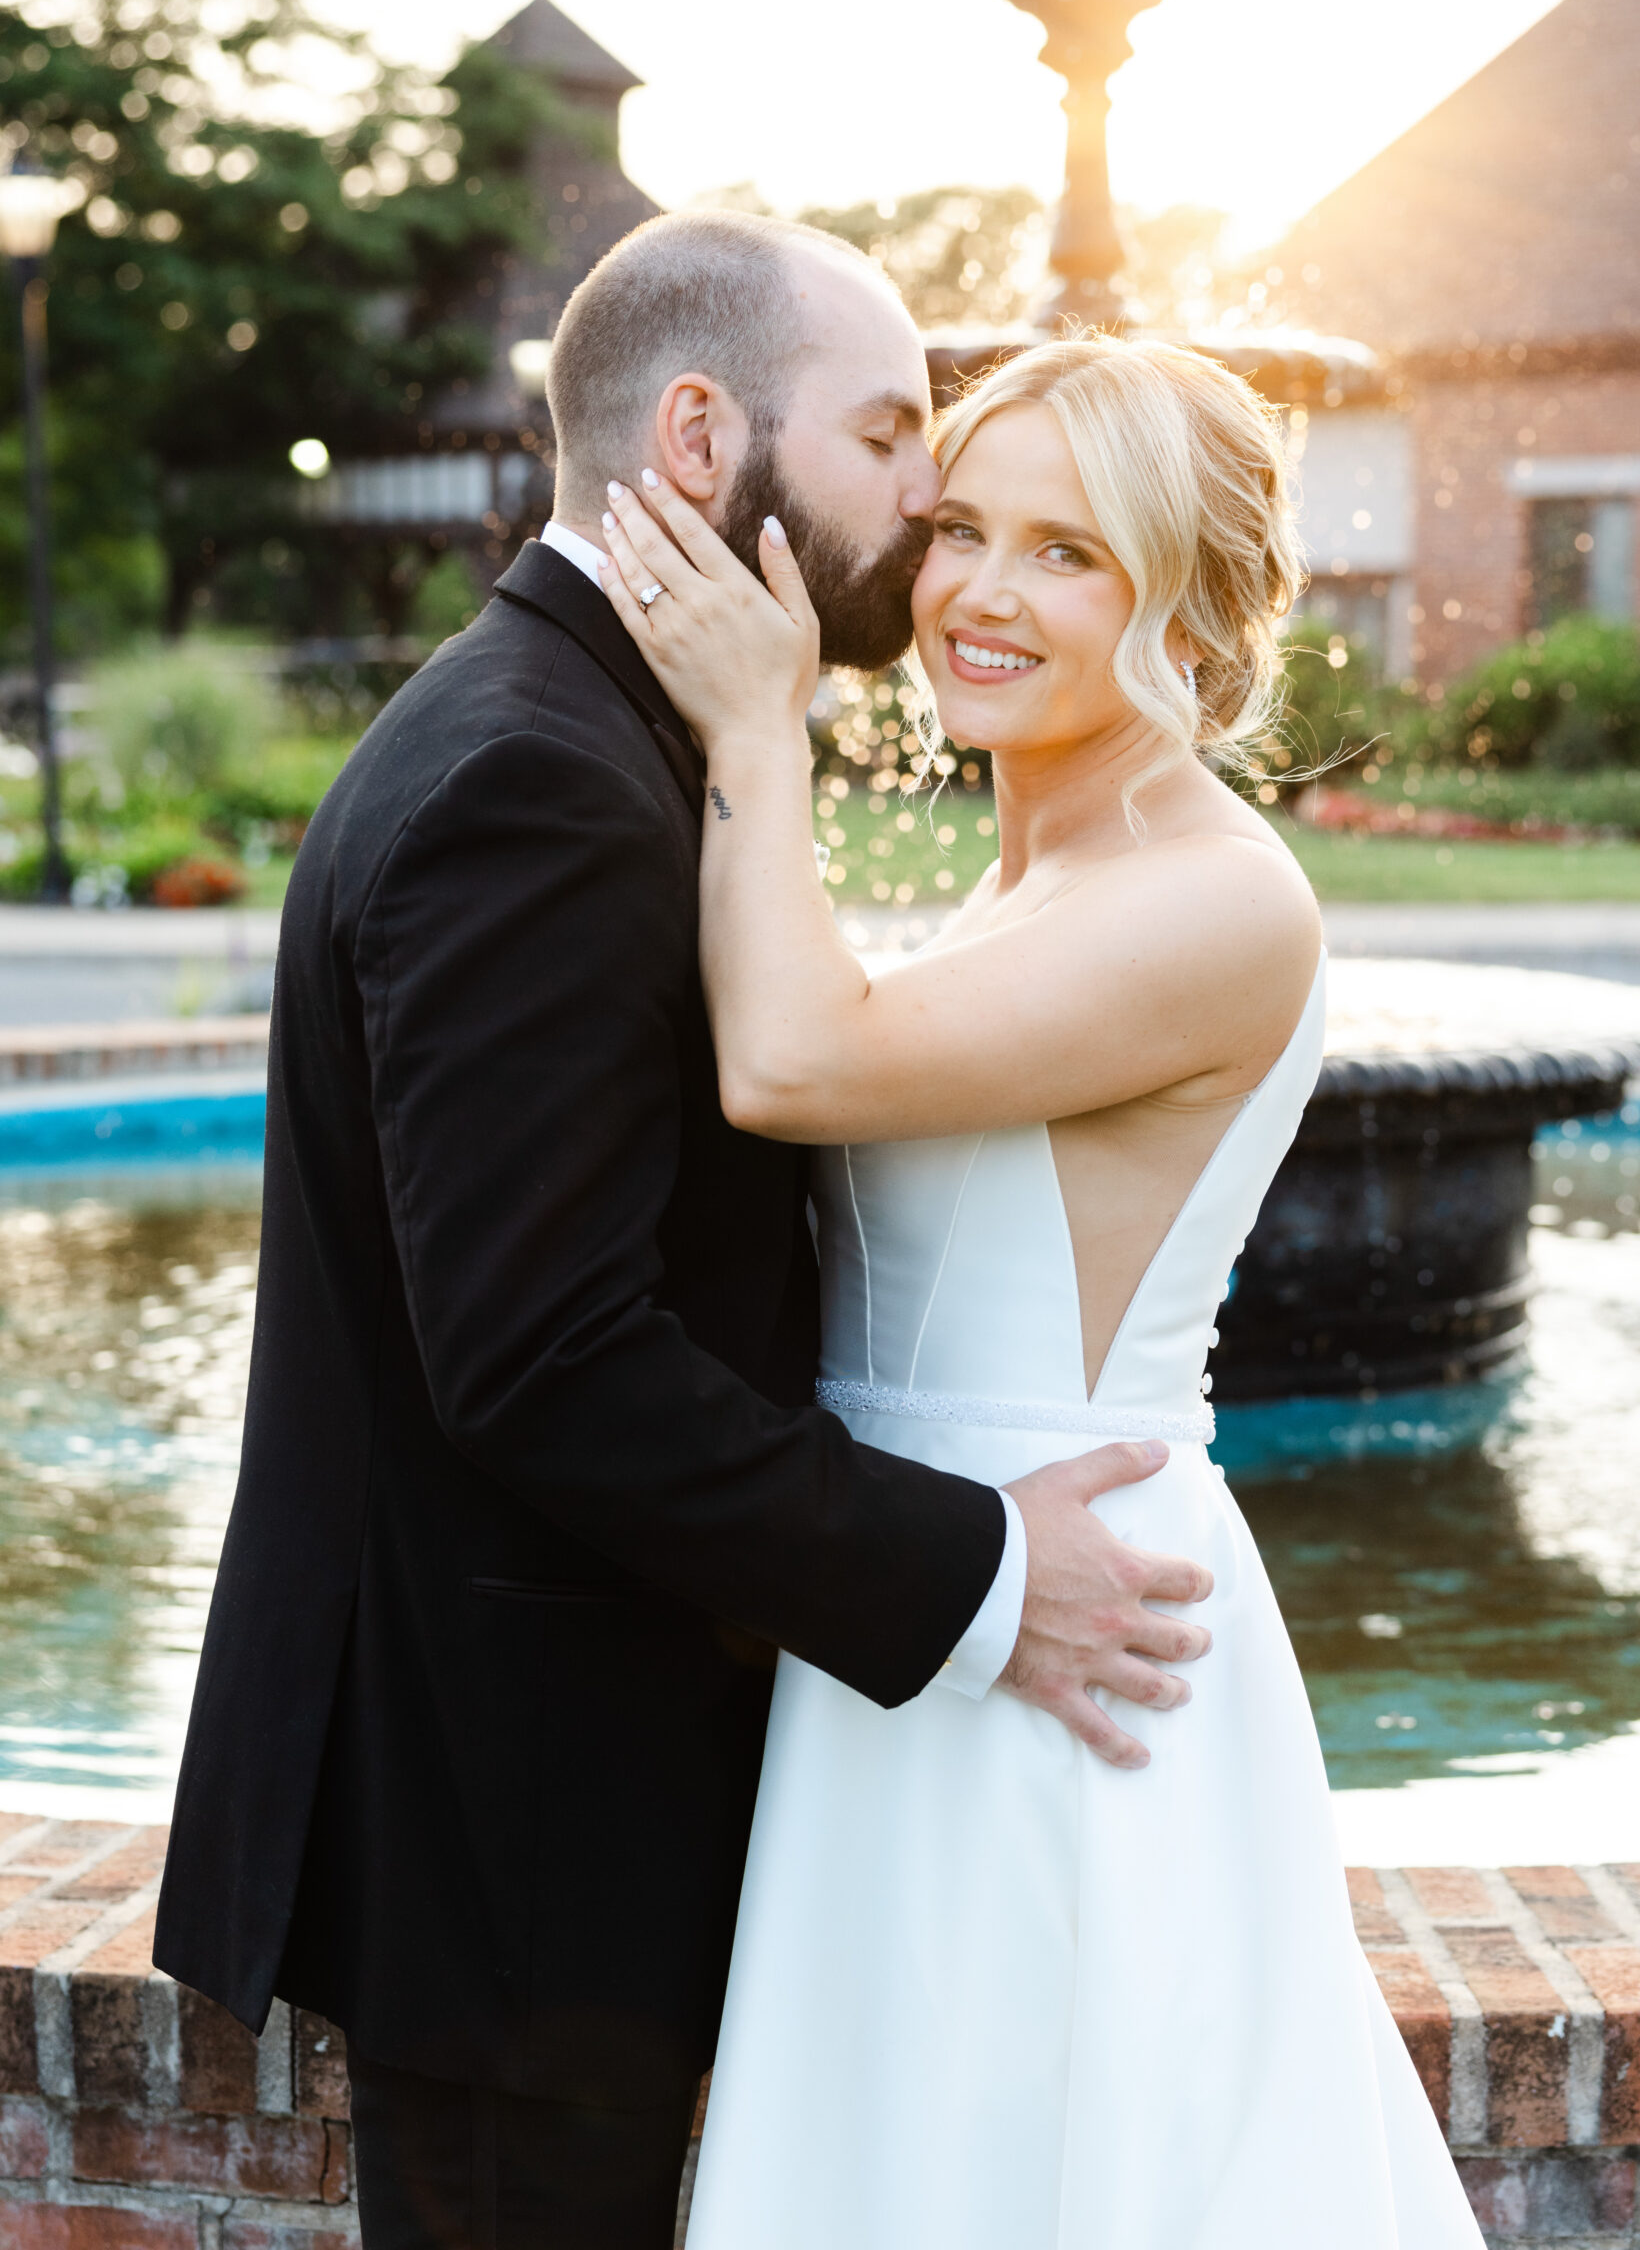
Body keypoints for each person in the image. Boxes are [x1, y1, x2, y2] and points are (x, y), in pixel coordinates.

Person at [152, 214, 1220, 2250]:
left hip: (537, 1813)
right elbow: (544, 1353)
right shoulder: (539, 782)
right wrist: (980, 1569)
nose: (927, 496)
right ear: (701, 428)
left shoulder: (580, 734)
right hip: (517, 1830)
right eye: (892, 430)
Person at [598, 332, 1485, 2249]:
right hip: (927, 1599)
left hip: (1067, 1641)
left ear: (1193, 605)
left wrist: (757, 733)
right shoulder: (1039, 877)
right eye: (965, 531)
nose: (984, 595)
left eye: (1070, 553)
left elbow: (796, 1068)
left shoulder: (1221, 900)